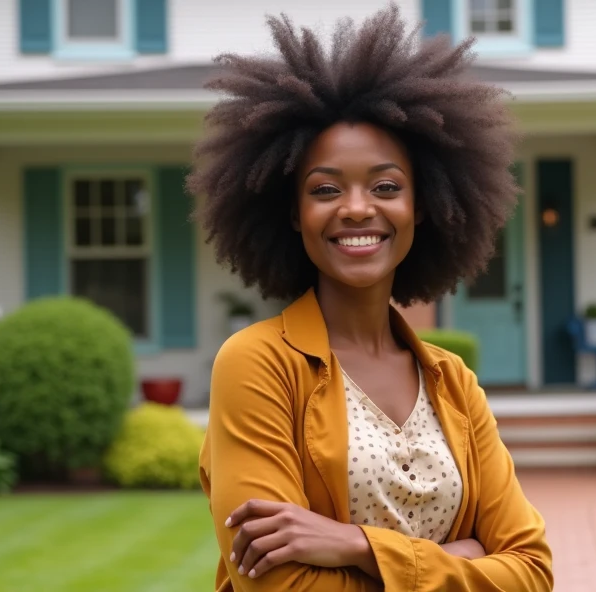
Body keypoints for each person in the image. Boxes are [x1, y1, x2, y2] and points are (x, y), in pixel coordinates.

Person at [191, 4, 553, 591]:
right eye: (326, 188)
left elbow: (532, 572)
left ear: (424, 205)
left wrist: (355, 545)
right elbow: (281, 585)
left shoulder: (453, 383)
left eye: (386, 186)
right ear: (293, 212)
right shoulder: (258, 365)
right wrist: (460, 558)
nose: (357, 207)